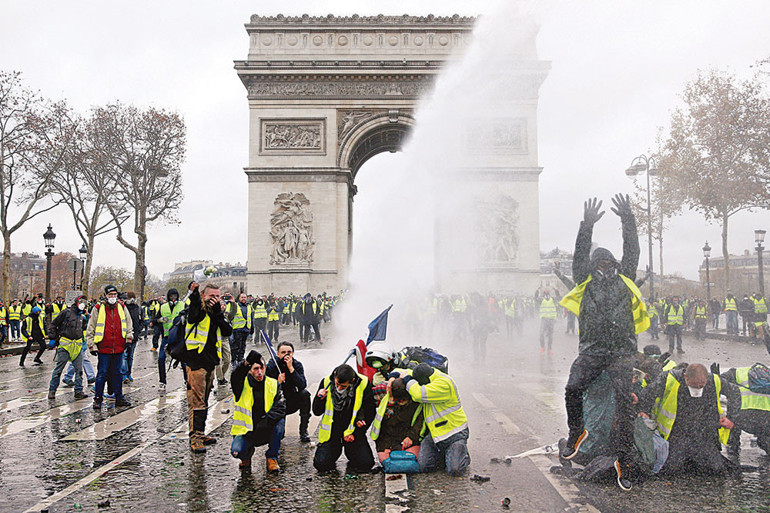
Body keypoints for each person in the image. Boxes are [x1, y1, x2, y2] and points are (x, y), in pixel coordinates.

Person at [558, 195, 646, 491]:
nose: (605, 266)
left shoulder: (627, 278)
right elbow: (579, 254)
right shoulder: (585, 281)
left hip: (621, 352)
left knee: (625, 408)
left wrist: (628, 219)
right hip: (593, 350)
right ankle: (576, 433)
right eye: (601, 262)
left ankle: (626, 460)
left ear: (616, 264)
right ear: (594, 265)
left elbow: (632, 249)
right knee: (572, 389)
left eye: (610, 262)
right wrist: (586, 226)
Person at [637, 363, 737, 475]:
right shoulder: (669, 379)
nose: (697, 389)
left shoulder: (714, 381)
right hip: (676, 433)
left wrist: (731, 418)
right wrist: (643, 411)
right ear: (685, 377)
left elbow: (735, 393)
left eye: (701, 386)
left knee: (715, 470)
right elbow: (647, 394)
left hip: (703, 433)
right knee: (670, 470)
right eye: (694, 385)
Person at [388, 363, 470, 476]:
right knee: (424, 466)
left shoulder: (444, 384)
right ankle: (447, 454)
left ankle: (462, 454)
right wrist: (392, 377)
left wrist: (408, 380)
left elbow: (418, 394)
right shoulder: (426, 375)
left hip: (454, 433)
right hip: (435, 435)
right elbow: (402, 371)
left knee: (454, 470)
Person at [184, 282, 232, 453]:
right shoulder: (197, 309)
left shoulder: (216, 312)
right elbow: (194, 306)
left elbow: (227, 331)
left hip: (211, 362)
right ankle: (195, 438)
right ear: (204, 296)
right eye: (211, 296)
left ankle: (201, 432)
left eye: (218, 296)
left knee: (204, 401)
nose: (215, 299)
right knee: (196, 402)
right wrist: (195, 292)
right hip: (196, 361)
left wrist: (219, 312)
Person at [312, 363, 375, 472]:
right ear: (335, 375)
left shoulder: (363, 384)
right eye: (337, 384)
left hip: (352, 431)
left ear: (352, 380)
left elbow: (370, 412)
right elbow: (316, 412)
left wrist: (357, 432)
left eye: (343, 386)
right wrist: (319, 399)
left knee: (365, 464)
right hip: (332, 433)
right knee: (321, 465)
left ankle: (351, 452)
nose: (339, 388)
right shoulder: (326, 382)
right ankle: (334, 451)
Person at [230, 350, 286, 471]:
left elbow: (280, 408)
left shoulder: (273, 384)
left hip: (266, 428)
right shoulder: (241, 384)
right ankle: (246, 455)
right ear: (250, 370)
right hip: (246, 431)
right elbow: (235, 375)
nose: (259, 372)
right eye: (256, 369)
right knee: (236, 451)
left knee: (280, 422)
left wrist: (264, 423)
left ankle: (272, 457)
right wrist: (246, 362)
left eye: (262, 368)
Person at [87, 285, 133, 409]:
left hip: (118, 346)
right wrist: (92, 345)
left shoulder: (122, 307)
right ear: (106, 296)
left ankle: (119, 397)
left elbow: (128, 324)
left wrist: (129, 338)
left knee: (118, 373)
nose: (112, 297)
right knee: (102, 374)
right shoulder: (98, 308)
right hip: (104, 347)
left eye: (114, 295)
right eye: (110, 295)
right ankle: (98, 398)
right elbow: (91, 327)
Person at [371, 377, 424, 470]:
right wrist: (385, 447)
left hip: (407, 436)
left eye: (403, 400)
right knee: (388, 463)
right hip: (387, 438)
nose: (401, 402)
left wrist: (411, 437)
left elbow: (419, 423)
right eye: (398, 401)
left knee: (411, 463)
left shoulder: (417, 397)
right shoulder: (381, 392)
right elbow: (382, 430)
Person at [266, 341, 312, 443]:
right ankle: (278, 430)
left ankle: (303, 430)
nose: (286, 355)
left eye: (289, 352)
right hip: (277, 401)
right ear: (278, 354)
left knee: (305, 394)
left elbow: (302, 385)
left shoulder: (297, 365)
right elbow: (266, 389)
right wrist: (277, 382)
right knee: (279, 435)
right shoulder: (272, 365)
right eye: (283, 352)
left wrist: (291, 369)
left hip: (291, 399)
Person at [721, 364, 770, 456]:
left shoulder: (737, 373)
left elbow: (720, 384)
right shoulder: (767, 377)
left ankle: (732, 445)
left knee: (733, 406)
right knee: (765, 439)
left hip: (742, 418)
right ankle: (765, 442)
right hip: (767, 421)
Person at [47, 296, 89, 400]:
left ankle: (78, 391)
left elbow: (83, 328)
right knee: (58, 370)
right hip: (65, 345)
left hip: (77, 346)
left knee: (79, 370)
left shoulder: (82, 316)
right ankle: (52, 390)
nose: (83, 304)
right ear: (76, 302)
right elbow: (53, 324)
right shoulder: (66, 313)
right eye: (81, 302)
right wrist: (52, 337)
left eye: (85, 302)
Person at [158, 288, 185, 390]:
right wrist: (160, 320)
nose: (173, 298)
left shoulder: (182, 305)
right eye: (171, 296)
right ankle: (162, 381)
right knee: (161, 358)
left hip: (179, 337)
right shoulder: (163, 307)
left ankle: (187, 380)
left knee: (184, 360)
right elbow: (154, 320)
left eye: (174, 296)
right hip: (167, 336)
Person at [227, 293, 252, 366]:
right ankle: (234, 360)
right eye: (242, 297)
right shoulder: (235, 305)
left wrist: (251, 328)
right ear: (239, 298)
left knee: (243, 346)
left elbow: (250, 317)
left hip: (246, 329)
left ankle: (241, 359)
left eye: (245, 297)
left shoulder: (248, 306)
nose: (244, 298)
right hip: (237, 328)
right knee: (236, 346)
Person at [123, 292, 142, 384]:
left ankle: (128, 373)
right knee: (124, 356)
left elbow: (142, 320)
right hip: (125, 336)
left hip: (134, 336)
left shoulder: (138, 308)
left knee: (130, 356)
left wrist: (138, 331)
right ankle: (124, 375)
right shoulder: (123, 308)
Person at [539, 290, 557, 355]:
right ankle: (542, 347)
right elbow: (535, 299)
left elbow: (559, 297)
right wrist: (537, 291)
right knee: (541, 333)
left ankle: (549, 349)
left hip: (551, 319)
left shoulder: (553, 299)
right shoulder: (541, 300)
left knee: (550, 335)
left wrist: (556, 290)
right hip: (544, 319)